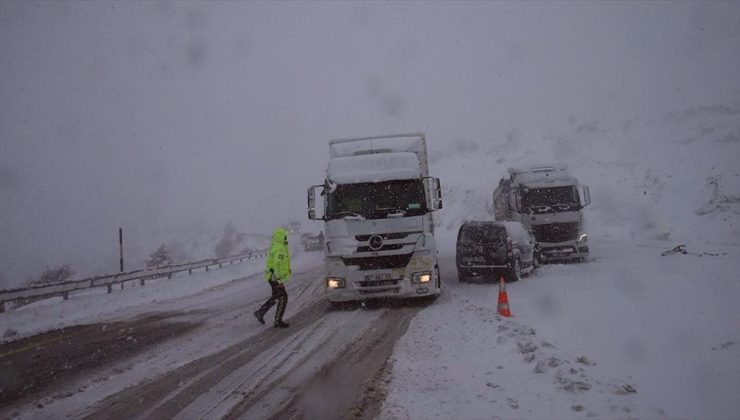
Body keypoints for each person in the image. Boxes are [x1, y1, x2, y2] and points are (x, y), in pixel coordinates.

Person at [253, 227, 292, 328]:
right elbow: (277, 265)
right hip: (275, 277)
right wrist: (279, 280)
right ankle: (277, 321)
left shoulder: (277, 246)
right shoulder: (280, 248)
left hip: (272, 276)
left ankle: (260, 313)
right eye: (285, 236)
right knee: (283, 297)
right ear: (280, 237)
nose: (286, 237)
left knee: (276, 296)